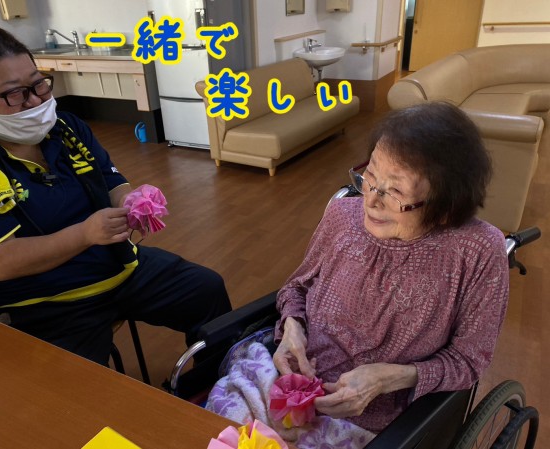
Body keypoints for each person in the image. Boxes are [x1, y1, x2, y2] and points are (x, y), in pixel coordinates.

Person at [206, 102, 509, 448]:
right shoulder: (341, 215)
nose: (371, 200)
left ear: (445, 207)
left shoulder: (477, 251)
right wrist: (292, 329)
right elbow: (297, 287)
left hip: (376, 420)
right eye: (370, 178)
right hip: (285, 385)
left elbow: (468, 361)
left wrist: (387, 379)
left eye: (395, 192)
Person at [0, 24, 231, 365]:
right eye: (15, 94)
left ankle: (219, 385)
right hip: (41, 303)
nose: (36, 101)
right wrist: (84, 234)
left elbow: (110, 180)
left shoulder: (66, 128)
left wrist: (130, 200)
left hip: (117, 268)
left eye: (39, 84)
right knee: (78, 389)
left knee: (206, 289)